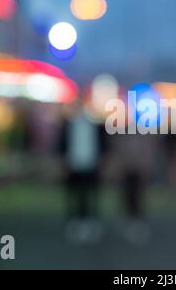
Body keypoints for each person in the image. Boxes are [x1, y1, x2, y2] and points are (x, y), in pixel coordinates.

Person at [60, 102, 105, 244]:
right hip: (74, 164)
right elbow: (62, 145)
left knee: (91, 194)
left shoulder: (96, 127)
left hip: (91, 164)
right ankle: (75, 221)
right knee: (74, 194)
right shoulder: (69, 126)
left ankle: (90, 221)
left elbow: (103, 145)